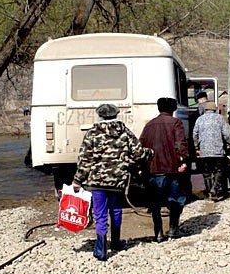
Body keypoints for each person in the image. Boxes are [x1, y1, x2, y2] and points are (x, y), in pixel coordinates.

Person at [73, 104, 153, 261]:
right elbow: (138, 154)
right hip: (118, 181)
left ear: (99, 115)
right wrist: (150, 153)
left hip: (96, 182)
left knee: (100, 214)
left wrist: (77, 180)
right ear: (117, 114)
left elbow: (85, 160)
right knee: (116, 210)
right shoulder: (125, 132)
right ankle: (116, 242)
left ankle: (101, 249)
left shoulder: (92, 133)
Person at [139, 97, 189, 242]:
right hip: (171, 169)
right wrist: (183, 161)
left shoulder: (149, 125)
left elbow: (141, 146)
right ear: (173, 109)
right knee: (176, 199)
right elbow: (180, 144)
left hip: (152, 169)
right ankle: (173, 229)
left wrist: (142, 167)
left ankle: (158, 233)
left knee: (155, 203)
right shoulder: (175, 123)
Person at [193, 101, 230, 201]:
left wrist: (196, 147)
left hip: (204, 151)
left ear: (206, 110)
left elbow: (195, 134)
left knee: (206, 173)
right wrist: (229, 144)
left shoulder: (199, 119)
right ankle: (214, 189)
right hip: (217, 150)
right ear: (215, 110)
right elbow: (227, 134)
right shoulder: (219, 118)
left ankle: (209, 194)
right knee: (218, 170)